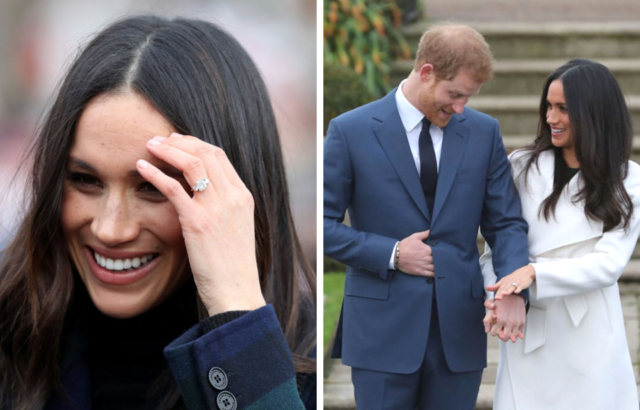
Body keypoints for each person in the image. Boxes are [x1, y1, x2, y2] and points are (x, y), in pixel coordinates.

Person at [0, 15, 316, 410]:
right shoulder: (10, 333)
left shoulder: (318, 369)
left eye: (154, 188)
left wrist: (237, 317)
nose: (111, 229)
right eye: (85, 179)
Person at [323, 23, 529, 409]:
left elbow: (505, 224)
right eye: (454, 95)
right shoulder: (350, 131)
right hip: (380, 331)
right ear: (427, 72)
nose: (460, 108)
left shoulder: (484, 133)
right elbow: (319, 226)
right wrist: (392, 254)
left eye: (468, 97)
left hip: (459, 330)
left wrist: (513, 287)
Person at [481, 59, 640, 410]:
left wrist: (533, 273)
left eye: (564, 109)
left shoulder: (629, 179)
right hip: (526, 326)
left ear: (593, 112)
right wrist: (503, 293)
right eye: (548, 106)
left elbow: (608, 264)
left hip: (588, 332)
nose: (551, 118)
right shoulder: (521, 166)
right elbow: (496, 245)